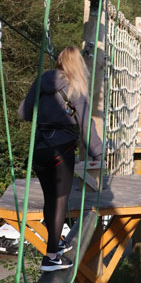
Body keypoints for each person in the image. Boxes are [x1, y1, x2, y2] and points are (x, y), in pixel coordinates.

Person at [18, 46, 102, 272]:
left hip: (39, 149)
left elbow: (23, 113)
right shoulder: (74, 86)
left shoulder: (42, 81)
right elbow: (86, 123)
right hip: (60, 150)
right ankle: (52, 257)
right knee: (60, 201)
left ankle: (55, 244)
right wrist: (97, 152)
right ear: (76, 64)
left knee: (50, 200)